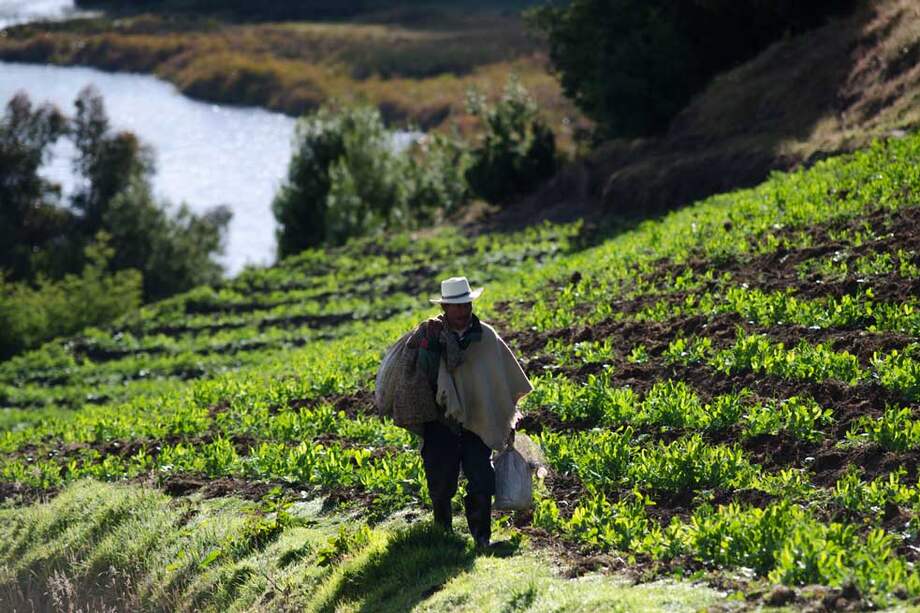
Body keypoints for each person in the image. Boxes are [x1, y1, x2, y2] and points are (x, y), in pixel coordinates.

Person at [409, 276, 532, 548]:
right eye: (456, 307)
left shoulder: (487, 337)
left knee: (482, 478)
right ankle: (443, 535)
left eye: (466, 305)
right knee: (441, 482)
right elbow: (422, 379)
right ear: (444, 307)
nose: (463, 311)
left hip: (478, 421)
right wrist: (430, 349)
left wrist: (507, 415)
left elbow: (503, 379)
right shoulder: (430, 336)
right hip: (441, 422)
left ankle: (482, 538)